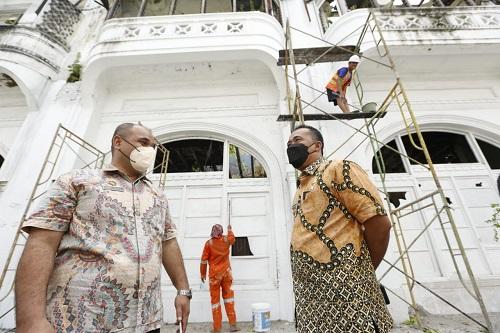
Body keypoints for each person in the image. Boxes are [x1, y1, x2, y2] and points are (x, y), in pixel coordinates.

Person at [15, 123, 191, 333]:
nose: (150, 151)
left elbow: (168, 243)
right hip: (83, 323)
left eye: (153, 146)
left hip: (147, 321)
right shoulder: (77, 181)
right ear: (118, 142)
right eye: (143, 143)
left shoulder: (157, 195)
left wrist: (183, 290)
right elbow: (41, 243)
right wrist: (31, 321)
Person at [286, 124, 393, 332]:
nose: (291, 146)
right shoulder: (301, 188)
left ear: (316, 146)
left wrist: (360, 271)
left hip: (348, 294)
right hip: (311, 297)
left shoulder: (338, 168)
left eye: (297, 140)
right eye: (289, 143)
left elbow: (378, 224)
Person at [200, 224, 239, 333]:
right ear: (221, 232)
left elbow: (203, 261)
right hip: (226, 273)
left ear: (212, 232)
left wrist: (202, 274)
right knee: (229, 298)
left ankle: (217, 328)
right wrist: (230, 230)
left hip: (215, 276)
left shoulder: (209, 244)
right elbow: (233, 238)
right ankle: (233, 325)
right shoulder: (227, 240)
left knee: (215, 301)